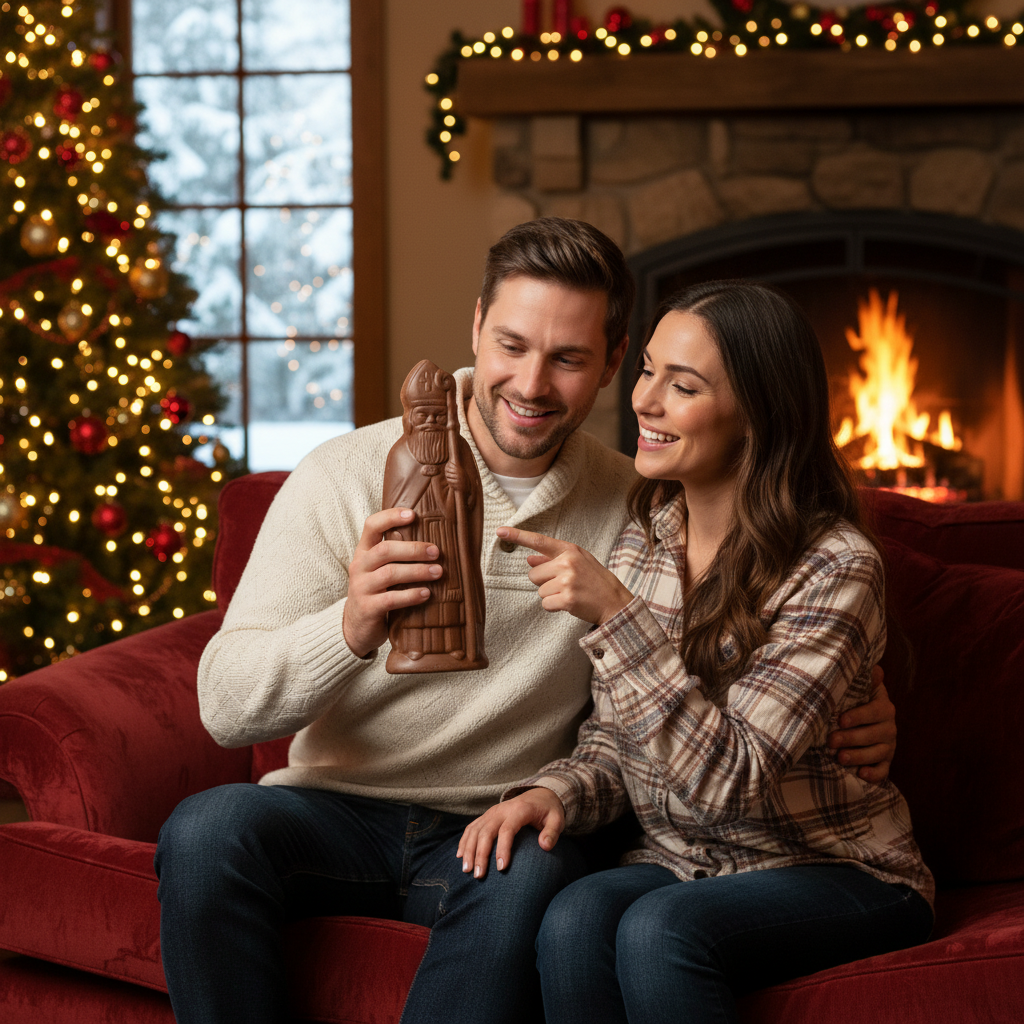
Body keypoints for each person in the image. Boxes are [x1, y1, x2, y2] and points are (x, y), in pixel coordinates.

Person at [154, 222, 899, 1024]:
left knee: (540, 879)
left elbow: (747, 629)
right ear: (476, 325)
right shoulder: (347, 475)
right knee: (206, 830)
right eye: (511, 344)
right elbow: (227, 709)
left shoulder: (637, 506)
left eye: (569, 359)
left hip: (503, 819)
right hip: (331, 810)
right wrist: (349, 625)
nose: (532, 384)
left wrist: (860, 696)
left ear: (612, 362)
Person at [457, 279, 934, 1024]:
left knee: (659, 931)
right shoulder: (648, 538)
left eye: (682, 386)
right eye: (648, 370)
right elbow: (620, 741)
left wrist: (617, 614)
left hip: (835, 866)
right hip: (684, 861)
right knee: (574, 917)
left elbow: (729, 783)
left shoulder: (835, 566)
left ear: (758, 413)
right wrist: (553, 792)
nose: (645, 401)